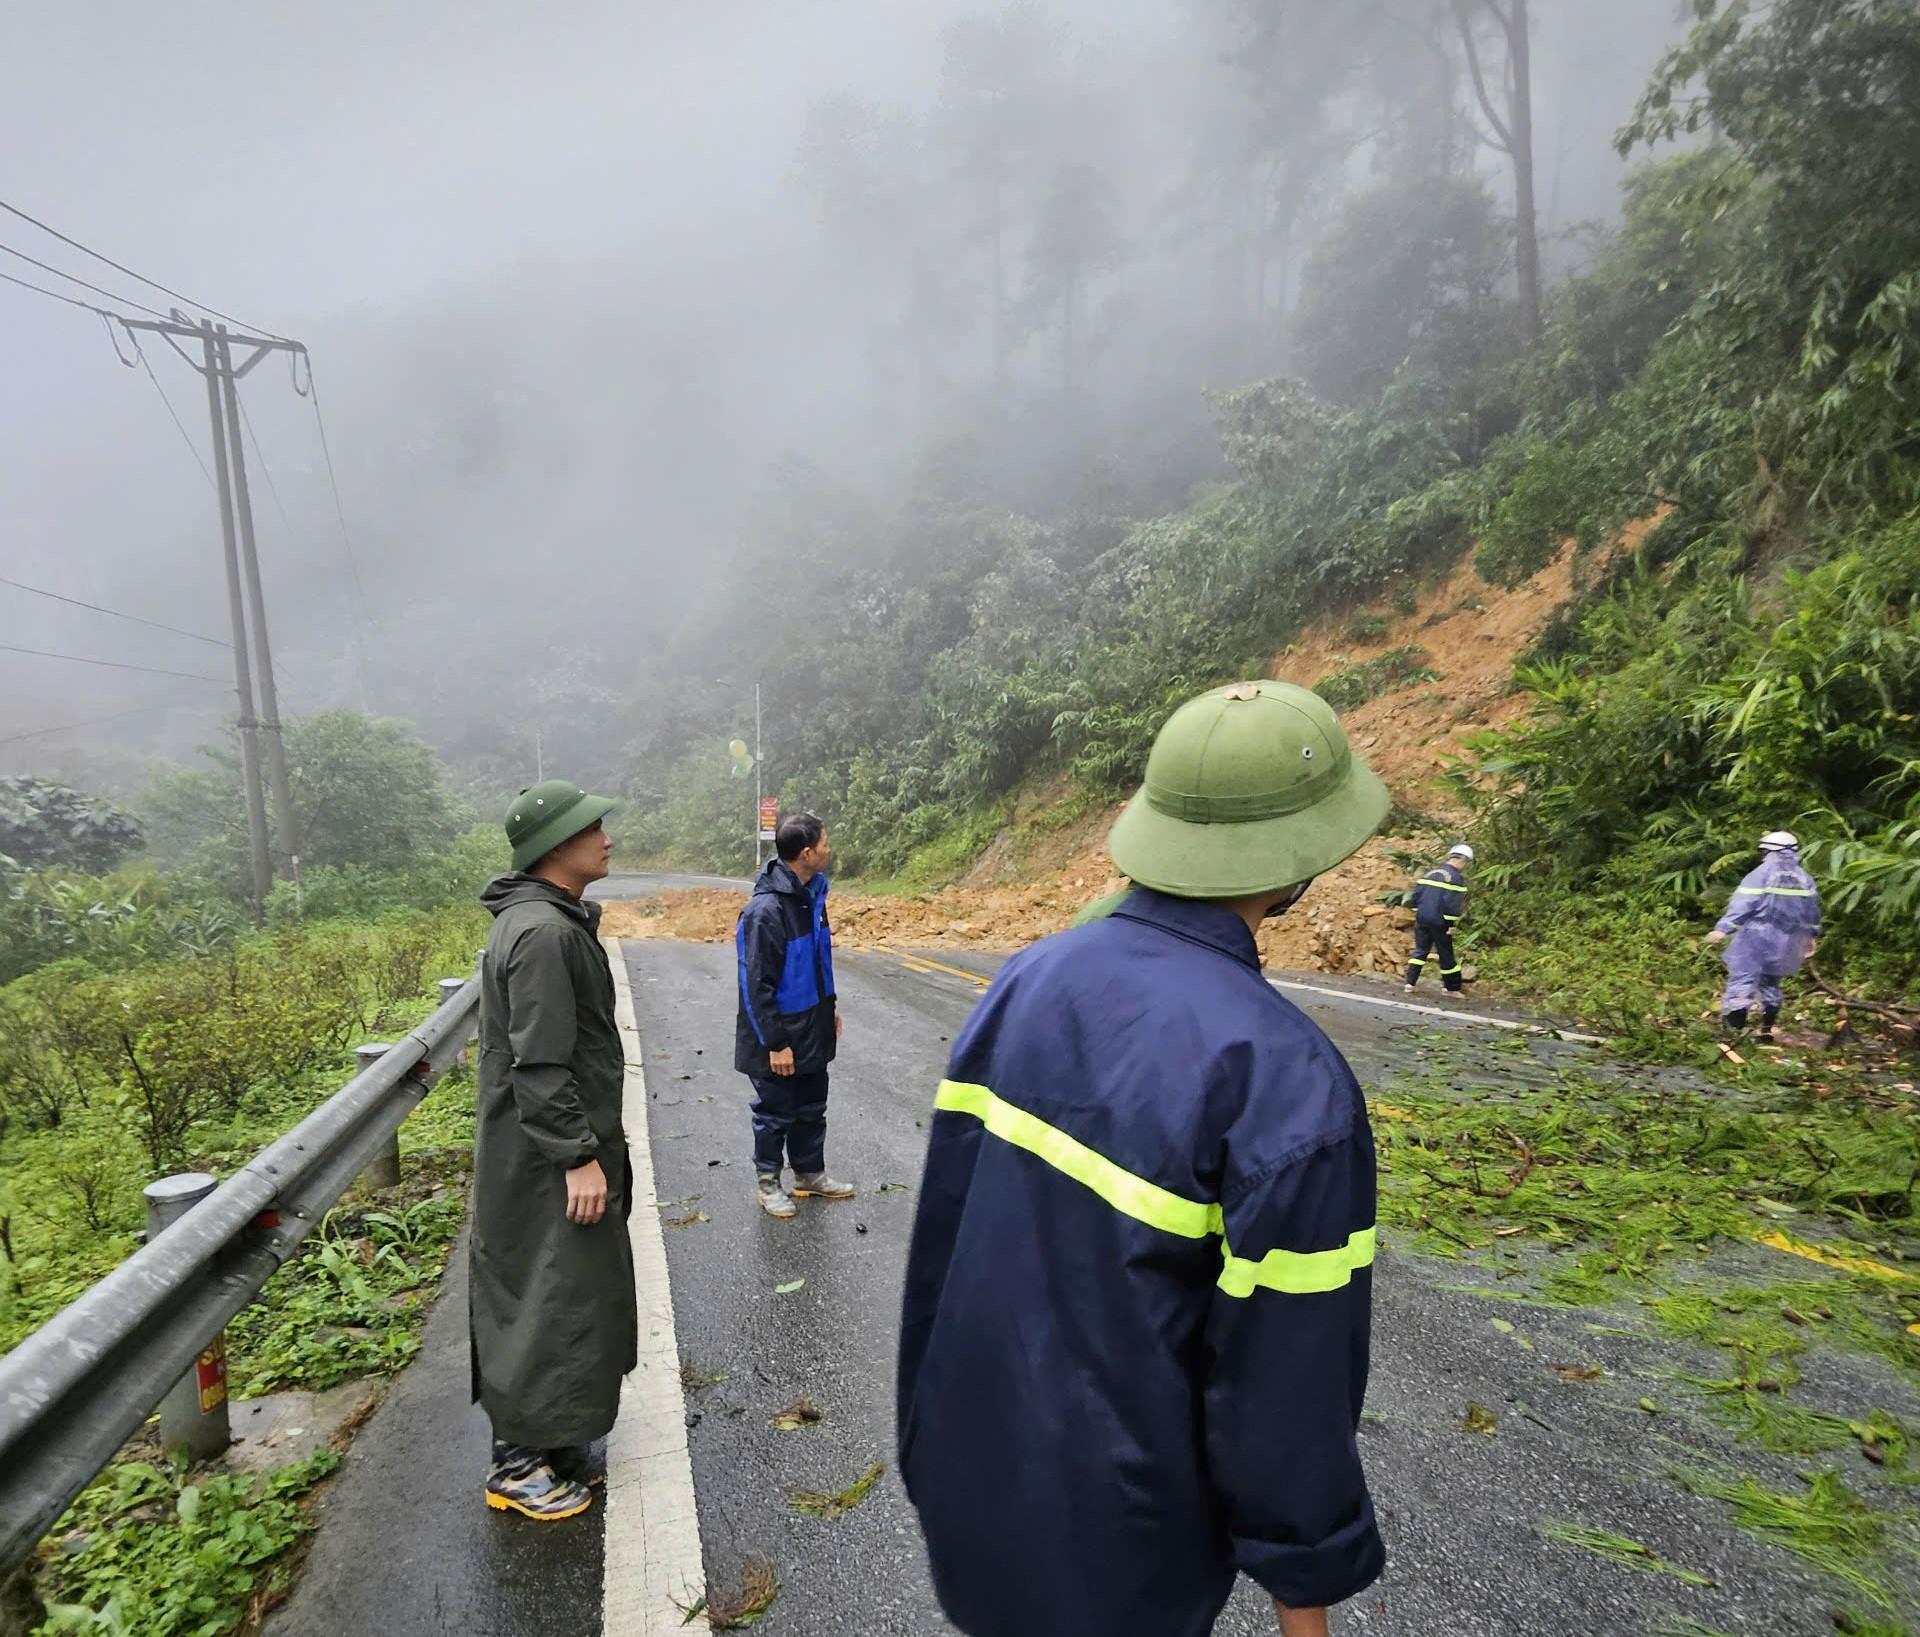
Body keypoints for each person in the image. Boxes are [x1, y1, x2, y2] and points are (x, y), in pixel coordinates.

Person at [898, 680, 1389, 1637]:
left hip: (972, 1485)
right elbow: (1285, 1391)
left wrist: (927, 1449)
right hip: (1117, 1559)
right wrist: (1307, 1602)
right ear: (1302, 857)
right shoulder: (1287, 1084)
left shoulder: (1027, 978)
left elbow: (945, 1248)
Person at [471, 778, 637, 1521]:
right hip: (542, 1155)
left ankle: (555, 1437)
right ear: (557, 846)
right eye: (592, 827)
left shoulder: (554, 921)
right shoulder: (542, 933)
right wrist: (576, 1154)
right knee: (545, 1290)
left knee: (572, 1287)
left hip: (552, 1145)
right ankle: (516, 1460)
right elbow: (538, 1064)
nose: (606, 837)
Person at [734, 812, 852, 1219]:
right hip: (779, 1034)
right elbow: (756, 987)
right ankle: (768, 1184)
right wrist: (776, 1043)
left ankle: (809, 1173)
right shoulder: (765, 911)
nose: (828, 848)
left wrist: (829, 1008)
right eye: (824, 842)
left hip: (812, 1025)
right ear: (806, 853)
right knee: (774, 1113)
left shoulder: (812, 896)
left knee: (810, 1107)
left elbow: (820, 962)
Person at [1705, 830, 1821, 1046]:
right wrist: (1811, 935)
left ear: (1769, 851)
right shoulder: (1805, 878)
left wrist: (1723, 929)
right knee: (1771, 983)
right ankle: (1765, 1031)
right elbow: (1812, 911)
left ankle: (1732, 1034)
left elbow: (1744, 904)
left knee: (1742, 980)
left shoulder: (1761, 874)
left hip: (1755, 937)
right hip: (1787, 941)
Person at [1404, 843, 1472, 998]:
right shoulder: (1456, 879)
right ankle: (1451, 988)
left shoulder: (1430, 873)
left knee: (1420, 950)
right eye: (1466, 863)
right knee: (1445, 953)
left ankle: (1410, 983)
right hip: (1440, 921)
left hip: (1422, 917)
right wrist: (1450, 924)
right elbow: (1452, 905)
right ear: (1463, 860)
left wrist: (1418, 911)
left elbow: (1416, 896)